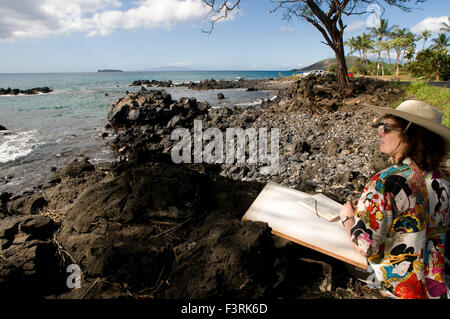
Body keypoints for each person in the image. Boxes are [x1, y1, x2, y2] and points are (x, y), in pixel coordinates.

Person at [339, 100, 450, 299]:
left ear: (410, 134)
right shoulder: (443, 182)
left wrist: (348, 219)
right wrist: (372, 206)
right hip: (436, 289)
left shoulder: (385, 182)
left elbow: (366, 245)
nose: (380, 132)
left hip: (398, 291)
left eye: (388, 127)